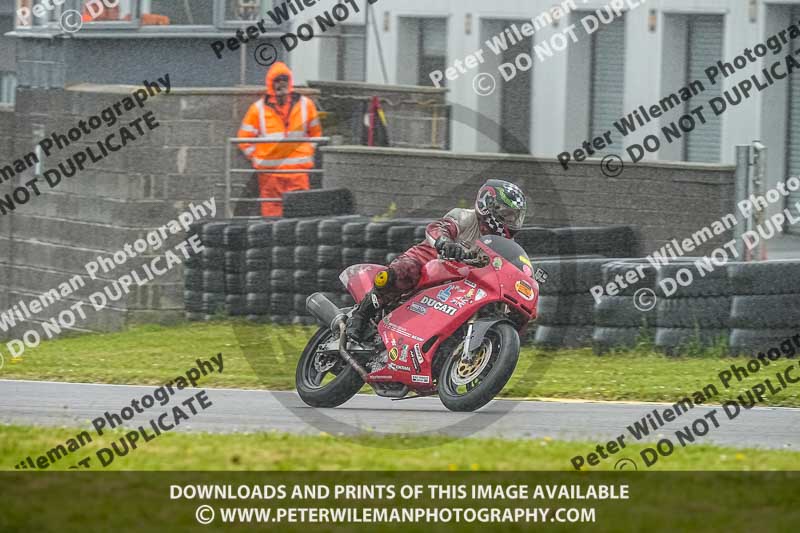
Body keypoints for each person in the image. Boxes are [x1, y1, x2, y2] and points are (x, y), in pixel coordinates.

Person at [346, 180, 528, 341]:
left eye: (515, 216)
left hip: (464, 283)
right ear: (488, 205)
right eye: (508, 215)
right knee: (401, 272)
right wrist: (445, 242)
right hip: (430, 261)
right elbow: (438, 227)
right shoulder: (465, 216)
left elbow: (507, 271)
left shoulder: (506, 245)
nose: (512, 221)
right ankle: (361, 315)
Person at [237, 61, 322, 217]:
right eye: (277, 80)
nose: (280, 84)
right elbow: (243, 139)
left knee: (299, 218)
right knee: (271, 218)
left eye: (284, 80)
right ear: (270, 83)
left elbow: (316, 134)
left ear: (290, 82)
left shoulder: (306, 105)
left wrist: (308, 150)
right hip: (271, 175)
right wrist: (257, 159)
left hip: (298, 174)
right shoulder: (258, 109)